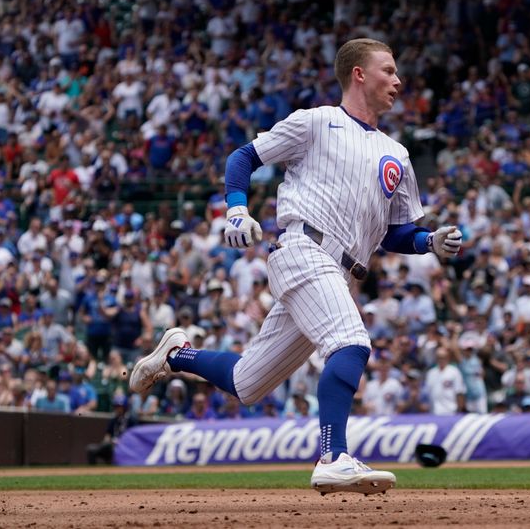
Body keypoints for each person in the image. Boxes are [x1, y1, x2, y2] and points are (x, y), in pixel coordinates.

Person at [129, 38, 462, 495]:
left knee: (248, 383)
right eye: (388, 70)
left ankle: (176, 355)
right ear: (359, 74)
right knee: (350, 340)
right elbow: (243, 158)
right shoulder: (317, 122)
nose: (398, 80)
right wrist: (237, 209)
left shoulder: (397, 154)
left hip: (340, 269)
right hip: (304, 248)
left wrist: (429, 241)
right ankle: (333, 456)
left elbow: (392, 231)